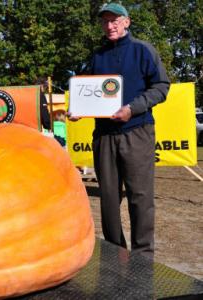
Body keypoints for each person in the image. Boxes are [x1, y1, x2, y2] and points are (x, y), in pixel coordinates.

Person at [72, 3, 170, 258]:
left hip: (137, 132)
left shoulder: (143, 50)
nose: (109, 25)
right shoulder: (97, 56)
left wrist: (133, 108)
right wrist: (78, 110)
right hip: (104, 137)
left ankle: (143, 256)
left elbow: (161, 86)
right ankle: (115, 253)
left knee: (140, 197)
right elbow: (86, 91)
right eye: (105, 21)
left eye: (115, 20)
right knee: (108, 200)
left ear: (127, 21)